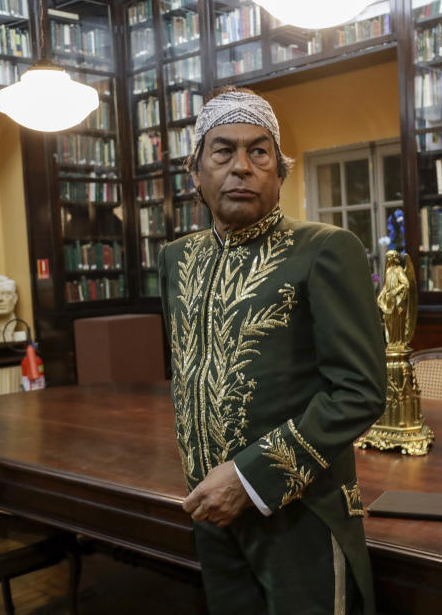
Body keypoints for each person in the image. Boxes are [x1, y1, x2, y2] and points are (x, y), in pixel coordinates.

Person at [157, 87, 386, 615]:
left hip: (299, 512)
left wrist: (248, 478)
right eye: (223, 151)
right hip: (211, 511)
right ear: (195, 172)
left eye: (259, 152)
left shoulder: (325, 250)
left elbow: (359, 392)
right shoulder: (176, 259)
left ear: (280, 173)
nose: (241, 167)